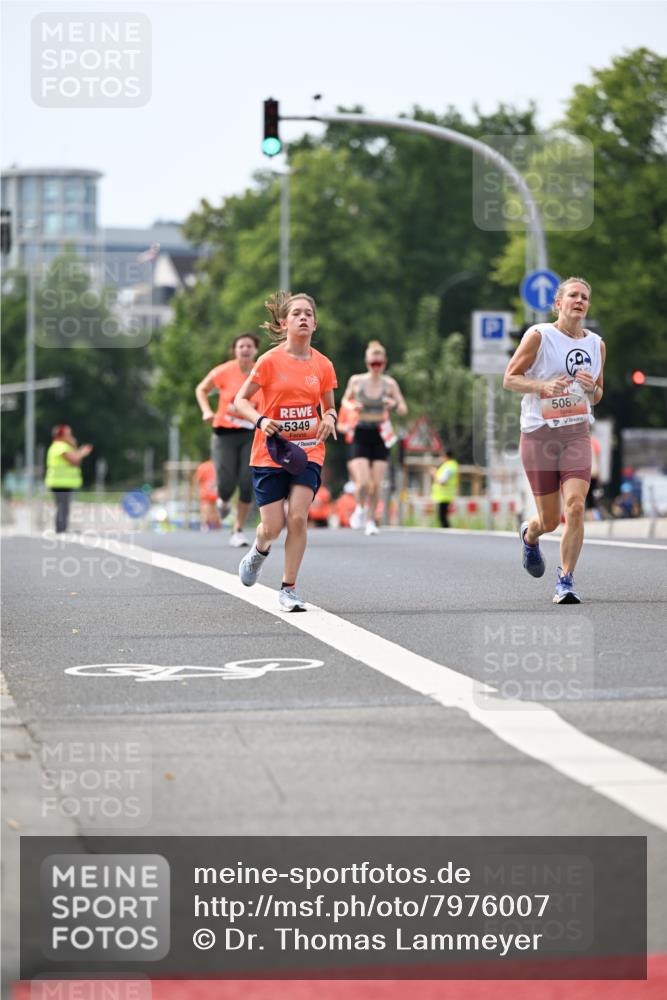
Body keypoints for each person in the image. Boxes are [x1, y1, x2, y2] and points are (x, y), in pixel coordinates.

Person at [233, 291, 338, 611]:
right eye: (297, 314)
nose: (303, 317)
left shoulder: (323, 364)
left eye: (309, 313)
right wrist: (261, 420)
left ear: (315, 324)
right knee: (273, 526)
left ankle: (288, 588)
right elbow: (239, 401)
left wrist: (331, 418)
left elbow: (330, 406)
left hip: (308, 450)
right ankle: (260, 548)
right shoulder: (268, 362)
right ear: (284, 322)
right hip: (271, 451)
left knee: (298, 517)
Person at [503, 276, 605, 604]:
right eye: (573, 295)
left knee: (575, 507)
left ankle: (565, 580)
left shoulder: (596, 344)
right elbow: (510, 379)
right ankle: (530, 536)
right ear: (558, 303)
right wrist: (542, 387)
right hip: (538, 434)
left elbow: (598, 394)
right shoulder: (540, 336)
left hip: (575, 432)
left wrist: (591, 389)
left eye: (584, 297)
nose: (579, 301)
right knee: (549, 520)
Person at [195, 332, 260, 547]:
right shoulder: (224, 371)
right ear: (235, 350)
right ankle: (223, 500)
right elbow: (201, 389)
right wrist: (206, 410)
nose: (245, 349)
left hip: (251, 433)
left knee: (246, 481)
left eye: (249, 346)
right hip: (224, 433)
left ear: (255, 350)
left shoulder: (262, 372)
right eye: (241, 346)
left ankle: (238, 529)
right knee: (225, 483)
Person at [341, 340, 407, 536]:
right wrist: (353, 406)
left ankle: (371, 520)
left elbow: (403, 409)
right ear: (367, 362)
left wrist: (393, 403)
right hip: (361, 431)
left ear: (385, 362)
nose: (376, 367)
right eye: (373, 363)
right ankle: (360, 508)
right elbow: (345, 399)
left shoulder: (390, 384)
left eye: (380, 363)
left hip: (380, 433)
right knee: (362, 482)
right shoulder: (357, 381)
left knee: (376, 483)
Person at [44, 424, 93, 533]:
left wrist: (75, 447)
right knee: (62, 507)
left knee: (63, 506)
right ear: (62, 435)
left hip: (63, 482)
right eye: (68, 434)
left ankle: (62, 528)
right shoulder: (60, 446)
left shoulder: (63, 446)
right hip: (60, 482)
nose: (71, 436)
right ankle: (61, 529)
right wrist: (82, 452)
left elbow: (76, 461)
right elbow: (74, 460)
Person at [430, 446, 459, 528]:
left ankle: (447, 532)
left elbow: (442, 481)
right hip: (445, 495)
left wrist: (434, 474)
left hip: (444, 496)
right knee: (443, 516)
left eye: (441, 455)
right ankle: (446, 531)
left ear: (446, 456)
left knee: (442, 517)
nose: (440, 458)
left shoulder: (448, 467)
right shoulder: (451, 465)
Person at [193, 458, 221, 530]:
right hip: (216, 492)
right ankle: (216, 527)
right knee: (215, 512)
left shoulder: (203, 467)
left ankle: (205, 525)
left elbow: (197, 479)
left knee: (205, 511)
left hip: (206, 493)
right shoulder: (220, 465)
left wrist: (197, 490)